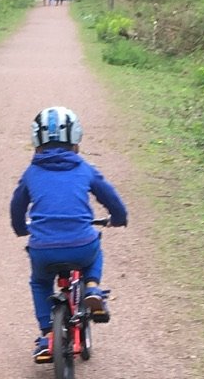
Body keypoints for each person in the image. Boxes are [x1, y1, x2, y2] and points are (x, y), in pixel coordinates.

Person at [9, 104, 128, 362]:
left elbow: (17, 205)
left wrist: (21, 229)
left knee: (40, 283)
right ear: (76, 139)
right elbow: (111, 197)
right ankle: (93, 288)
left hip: (43, 249)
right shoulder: (85, 169)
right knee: (95, 248)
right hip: (81, 245)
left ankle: (47, 335)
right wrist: (119, 218)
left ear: (36, 142)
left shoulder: (31, 173)